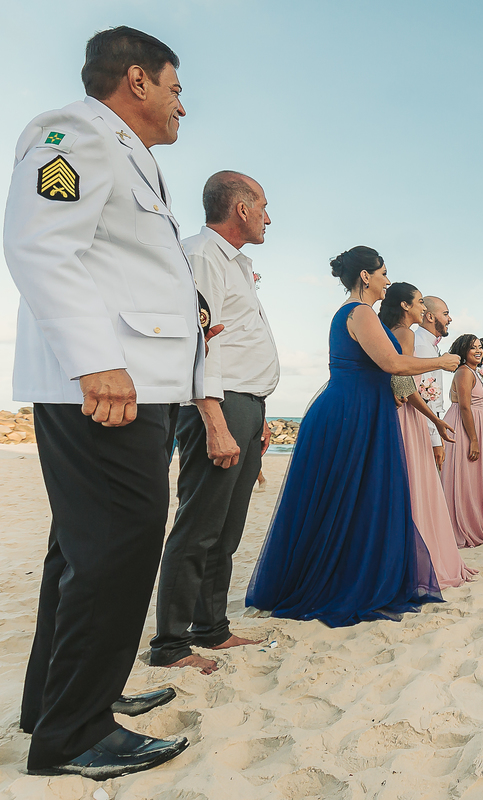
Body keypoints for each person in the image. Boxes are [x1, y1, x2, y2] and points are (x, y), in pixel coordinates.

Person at [6, 26, 202, 778]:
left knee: (84, 552)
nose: (182, 104)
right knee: (117, 549)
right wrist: (96, 363)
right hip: (106, 391)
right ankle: (74, 734)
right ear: (138, 80)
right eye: (176, 88)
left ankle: (57, 705)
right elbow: (39, 243)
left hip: (133, 385)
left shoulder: (129, 155)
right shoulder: (76, 134)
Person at [245, 247, 459, 625]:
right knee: (352, 497)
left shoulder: (359, 313)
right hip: (354, 413)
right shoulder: (359, 313)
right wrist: (441, 362)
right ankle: (344, 582)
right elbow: (392, 363)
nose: (387, 281)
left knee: (355, 499)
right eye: (383, 273)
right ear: (365, 276)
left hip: (360, 409)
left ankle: (351, 574)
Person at [151, 171, 279, 674]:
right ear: (241, 209)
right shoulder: (203, 255)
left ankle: (211, 628)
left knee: (226, 528)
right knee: (198, 526)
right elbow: (202, 343)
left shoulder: (235, 263)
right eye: (263, 206)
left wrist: (258, 414)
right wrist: (216, 420)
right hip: (218, 405)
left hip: (244, 404)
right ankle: (170, 643)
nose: (268, 217)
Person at [380, 284, 477, 587]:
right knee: (417, 489)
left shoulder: (422, 341)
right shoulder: (415, 340)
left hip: (418, 420)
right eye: (445, 313)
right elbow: (409, 387)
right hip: (413, 421)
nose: (450, 318)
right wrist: (435, 433)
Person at [441, 334, 483, 546]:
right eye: (473, 347)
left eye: (480, 347)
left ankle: (475, 523)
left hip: (476, 424)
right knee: (464, 476)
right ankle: (462, 525)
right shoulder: (464, 371)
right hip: (465, 426)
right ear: (463, 351)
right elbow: (465, 407)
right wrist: (473, 440)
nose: (479, 351)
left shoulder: (474, 372)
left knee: (475, 476)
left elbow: (476, 404)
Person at [413, 295, 452, 469]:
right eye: (445, 314)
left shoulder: (429, 345)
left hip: (430, 424)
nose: (450, 319)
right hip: (422, 427)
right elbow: (425, 397)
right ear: (430, 316)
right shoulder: (421, 345)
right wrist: (435, 439)